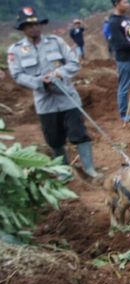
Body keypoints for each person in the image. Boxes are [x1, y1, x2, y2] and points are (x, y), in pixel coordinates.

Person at [7, 6, 101, 178]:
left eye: (36, 24)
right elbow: (17, 75)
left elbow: (74, 63)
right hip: (45, 102)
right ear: (22, 29)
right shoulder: (16, 50)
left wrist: (59, 73)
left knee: (79, 134)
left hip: (67, 98)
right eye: (29, 26)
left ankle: (89, 168)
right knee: (54, 139)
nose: (34, 28)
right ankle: (64, 172)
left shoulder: (56, 41)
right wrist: (38, 82)